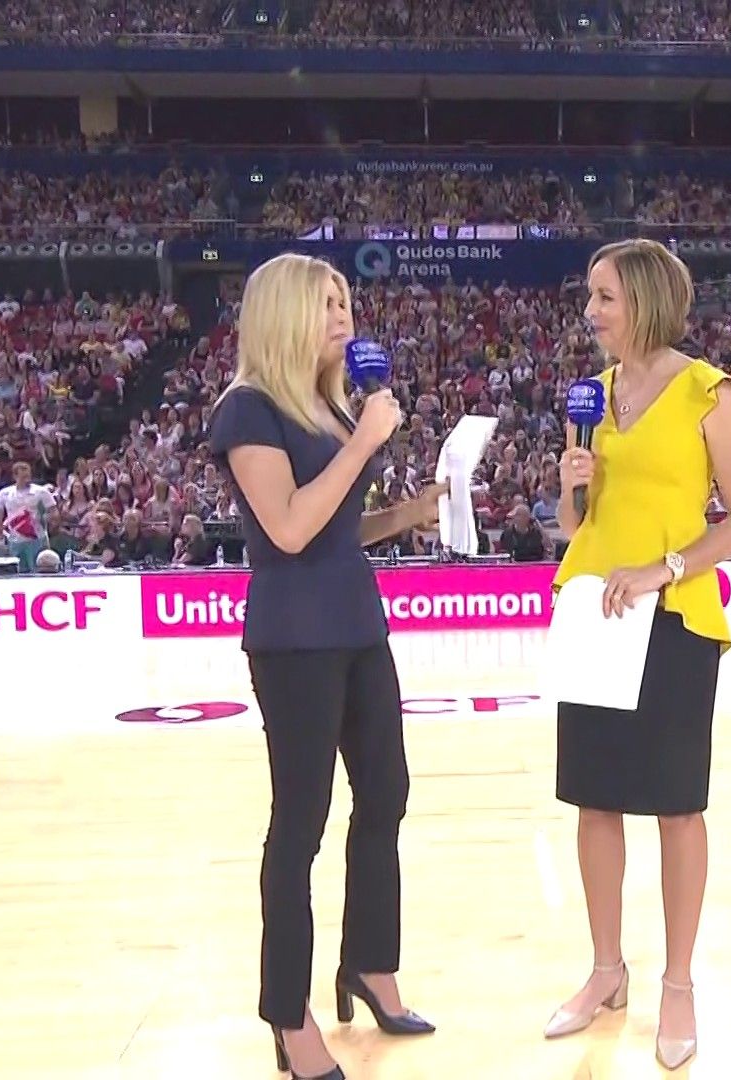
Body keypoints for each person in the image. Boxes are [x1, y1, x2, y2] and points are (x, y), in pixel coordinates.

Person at [208, 252, 449, 1080]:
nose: (344, 316)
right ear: (283, 315)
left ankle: (370, 966)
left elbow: (337, 528)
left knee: (386, 795)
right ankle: (288, 1013)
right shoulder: (247, 409)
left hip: (356, 620)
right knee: (300, 824)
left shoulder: (332, 406)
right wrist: (367, 441)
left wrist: (406, 515)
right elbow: (287, 529)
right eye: (326, 304)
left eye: (345, 301)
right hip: (295, 637)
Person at [546, 238, 731, 1071]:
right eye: (590, 295)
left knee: (676, 806)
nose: (590, 311)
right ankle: (607, 972)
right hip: (594, 615)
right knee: (593, 801)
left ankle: (678, 983)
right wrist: (569, 484)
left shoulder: (710, 392)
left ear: (644, 300)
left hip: (672, 617)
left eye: (604, 296)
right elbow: (577, 526)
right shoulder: (593, 396)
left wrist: (661, 570)